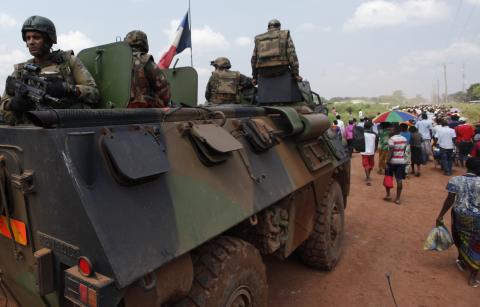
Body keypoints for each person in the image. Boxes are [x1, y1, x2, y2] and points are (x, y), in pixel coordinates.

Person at [0, 15, 99, 125]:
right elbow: (3, 107)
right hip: (30, 130)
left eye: (36, 37)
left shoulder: (68, 62)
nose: (31, 42)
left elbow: (94, 94)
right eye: (28, 38)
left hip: (64, 125)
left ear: (49, 39)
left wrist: (67, 89)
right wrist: (13, 104)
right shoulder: (21, 71)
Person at [436, 157, 480, 287]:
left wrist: (440, 215)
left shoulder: (455, 180)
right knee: (476, 244)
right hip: (477, 217)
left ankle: (462, 260)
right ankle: (472, 277)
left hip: (459, 215)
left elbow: (450, 200)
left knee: (460, 238)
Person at [124, 30, 170, 108]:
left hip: (116, 109)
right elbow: (164, 91)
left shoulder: (117, 60)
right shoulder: (144, 59)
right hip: (143, 112)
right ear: (144, 43)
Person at [251, 19, 301, 85]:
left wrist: (254, 77)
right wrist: (296, 74)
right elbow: (292, 54)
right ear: (279, 27)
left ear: (268, 28)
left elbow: (253, 59)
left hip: (263, 71)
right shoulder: (284, 34)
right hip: (281, 69)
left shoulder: (258, 38)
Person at [384, 126, 407, 204]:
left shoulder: (391, 139)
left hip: (392, 162)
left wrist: (387, 162)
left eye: (391, 129)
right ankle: (398, 198)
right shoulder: (404, 139)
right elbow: (404, 150)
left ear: (394, 131)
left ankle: (388, 195)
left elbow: (391, 151)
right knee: (399, 180)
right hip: (401, 161)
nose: (390, 130)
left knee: (388, 178)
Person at [361, 121, 378, 186]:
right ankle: (368, 177)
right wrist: (375, 150)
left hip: (364, 151)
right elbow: (376, 143)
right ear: (371, 127)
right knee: (370, 165)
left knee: (367, 165)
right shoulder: (375, 134)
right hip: (371, 152)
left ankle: (367, 176)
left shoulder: (362, 134)